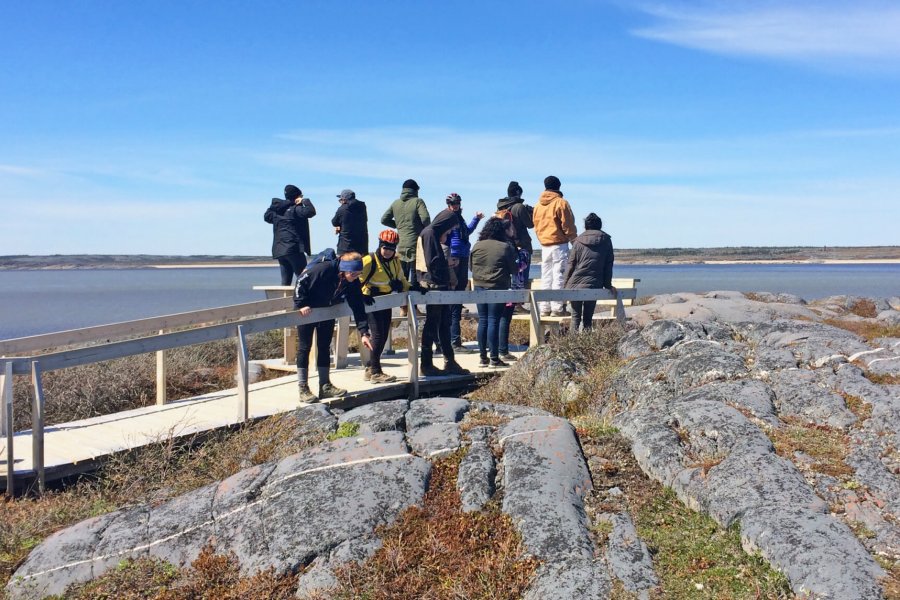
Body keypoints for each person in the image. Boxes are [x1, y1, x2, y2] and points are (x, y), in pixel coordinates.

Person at [293, 251, 374, 403]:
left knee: (324, 347)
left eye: (359, 274)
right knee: (305, 347)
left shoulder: (352, 281)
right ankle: (303, 388)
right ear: (344, 269)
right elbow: (300, 281)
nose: (356, 277)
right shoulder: (324, 269)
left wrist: (364, 332)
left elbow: (358, 307)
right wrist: (301, 303)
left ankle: (325, 386)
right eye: (353, 273)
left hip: (327, 312)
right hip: (307, 311)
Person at [415, 210, 469, 377]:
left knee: (444, 323)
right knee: (433, 324)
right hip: (434, 284)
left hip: (438, 284)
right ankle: (427, 364)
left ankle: (449, 361)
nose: (450, 231)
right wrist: (448, 265)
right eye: (450, 228)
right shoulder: (430, 233)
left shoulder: (430, 233)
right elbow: (433, 261)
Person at [360, 229, 410, 383]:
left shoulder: (395, 261)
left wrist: (411, 287)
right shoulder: (369, 260)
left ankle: (370, 367)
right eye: (385, 248)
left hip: (386, 301)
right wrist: (364, 294)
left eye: (391, 249)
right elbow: (356, 280)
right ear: (380, 245)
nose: (388, 251)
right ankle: (376, 372)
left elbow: (402, 280)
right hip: (371, 301)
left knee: (383, 334)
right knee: (378, 335)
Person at [469, 217, 518, 368]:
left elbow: (471, 268)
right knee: (493, 321)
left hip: (478, 286)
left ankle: (482, 357)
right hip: (497, 286)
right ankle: (494, 359)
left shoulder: (477, 246)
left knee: (483, 320)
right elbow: (513, 270)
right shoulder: (504, 247)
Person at [442, 193, 483, 353]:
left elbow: (466, 232)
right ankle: (452, 342)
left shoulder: (459, 218)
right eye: (453, 203)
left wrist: (476, 219)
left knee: (458, 297)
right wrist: (448, 255)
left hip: (463, 256)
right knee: (453, 301)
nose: (455, 205)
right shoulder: (447, 217)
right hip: (453, 258)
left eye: (457, 203)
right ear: (448, 204)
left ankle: (454, 341)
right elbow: (441, 238)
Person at [532, 175, 577, 317]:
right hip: (559, 244)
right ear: (558, 186)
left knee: (546, 277)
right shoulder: (560, 203)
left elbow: (536, 225)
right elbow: (568, 224)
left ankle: (544, 308)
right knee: (559, 275)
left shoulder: (538, 206)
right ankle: (557, 308)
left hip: (544, 245)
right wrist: (573, 240)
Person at [563, 213, 616, 333]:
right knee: (588, 319)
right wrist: (608, 285)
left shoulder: (578, 241)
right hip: (594, 284)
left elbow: (571, 265)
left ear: (586, 226)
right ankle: (586, 346)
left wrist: (565, 286)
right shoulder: (606, 240)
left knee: (575, 317)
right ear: (600, 226)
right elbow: (608, 265)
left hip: (575, 284)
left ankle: (572, 346)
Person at [381, 179, 431, 297]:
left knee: (401, 275)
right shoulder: (418, 201)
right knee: (415, 275)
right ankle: (412, 308)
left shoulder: (395, 203)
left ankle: (403, 307)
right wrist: (424, 230)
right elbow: (425, 219)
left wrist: (399, 226)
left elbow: (384, 219)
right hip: (415, 243)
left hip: (401, 244)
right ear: (415, 190)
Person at [264, 184, 316, 285]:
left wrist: (274, 206)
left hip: (279, 249)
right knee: (304, 278)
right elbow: (311, 212)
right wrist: (305, 201)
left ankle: (283, 300)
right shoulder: (295, 209)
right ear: (297, 196)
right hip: (293, 248)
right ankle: (305, 301)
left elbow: (266, 217)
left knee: (285, 281)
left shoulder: (276, 211)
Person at [496, 181, 535, 312]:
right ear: (518, 193)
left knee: (513, 275)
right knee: (521, 276)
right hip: (521, 245)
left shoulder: (502, 207)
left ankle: (511, 304)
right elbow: (530, 224)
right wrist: (531, 212)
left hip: (508, 245)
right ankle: (517, 305)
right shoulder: (519, 207)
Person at [331, 189, 369, 254]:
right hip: (362, 248)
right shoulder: (362, 207)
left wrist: (339, 226)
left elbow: (334, 222)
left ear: (344, 199)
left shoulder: (342, 209)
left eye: (341, 200)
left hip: (345, 248)